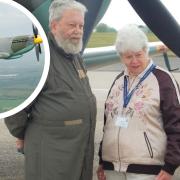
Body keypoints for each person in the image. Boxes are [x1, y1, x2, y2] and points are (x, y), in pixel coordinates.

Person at [5, 0, 96, 180]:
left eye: (81, 25)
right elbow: (14, 106)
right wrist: (27, 134)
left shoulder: (74, 55)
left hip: (77, 152)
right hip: (51, 153)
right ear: (54, 25)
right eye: (72, 25)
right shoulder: (39, 56)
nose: (78, 31)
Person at [97, 24, 180, 180]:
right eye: (128, 57)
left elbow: (176, 124)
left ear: (146, 52)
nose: (134, 61)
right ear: (121, 57)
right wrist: (102, 160)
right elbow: (108, 124)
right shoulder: (118, 81)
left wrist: (170, 166)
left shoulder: (163, 80)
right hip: (112, 168)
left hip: (147, 171)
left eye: (138, 55)